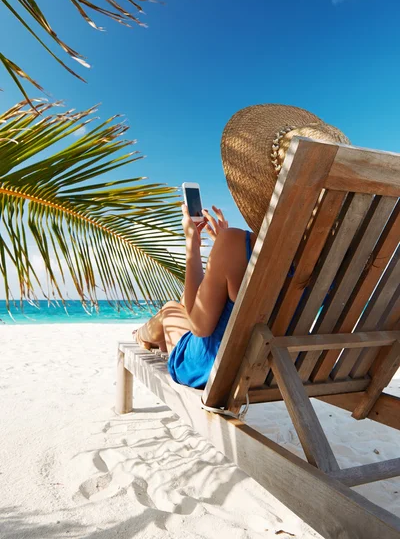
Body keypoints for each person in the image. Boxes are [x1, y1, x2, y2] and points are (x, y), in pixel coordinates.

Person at [134, 104, 351, 389]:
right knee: (171, 315)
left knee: (170, 310)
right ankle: (148, 334)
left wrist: (194, 243)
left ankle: (141, 335)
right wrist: (225, 253)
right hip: (283, 372)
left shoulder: (235, 243)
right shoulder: (343, 258)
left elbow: (199, 325)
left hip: (219, 372)